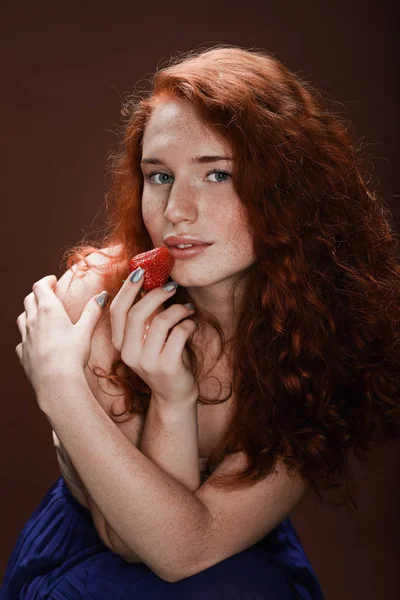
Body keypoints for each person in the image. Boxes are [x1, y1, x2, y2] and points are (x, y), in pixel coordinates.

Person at [3, 44, 400, 599]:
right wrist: (159, 396)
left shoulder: (327, 334)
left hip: (229, 548)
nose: (176, 212)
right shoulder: (96, 300)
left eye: (216, 175)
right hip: (89, 559)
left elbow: (187, 546)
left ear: (289, 188)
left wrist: (61, 388)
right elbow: (131, 542)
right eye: (158, 176)